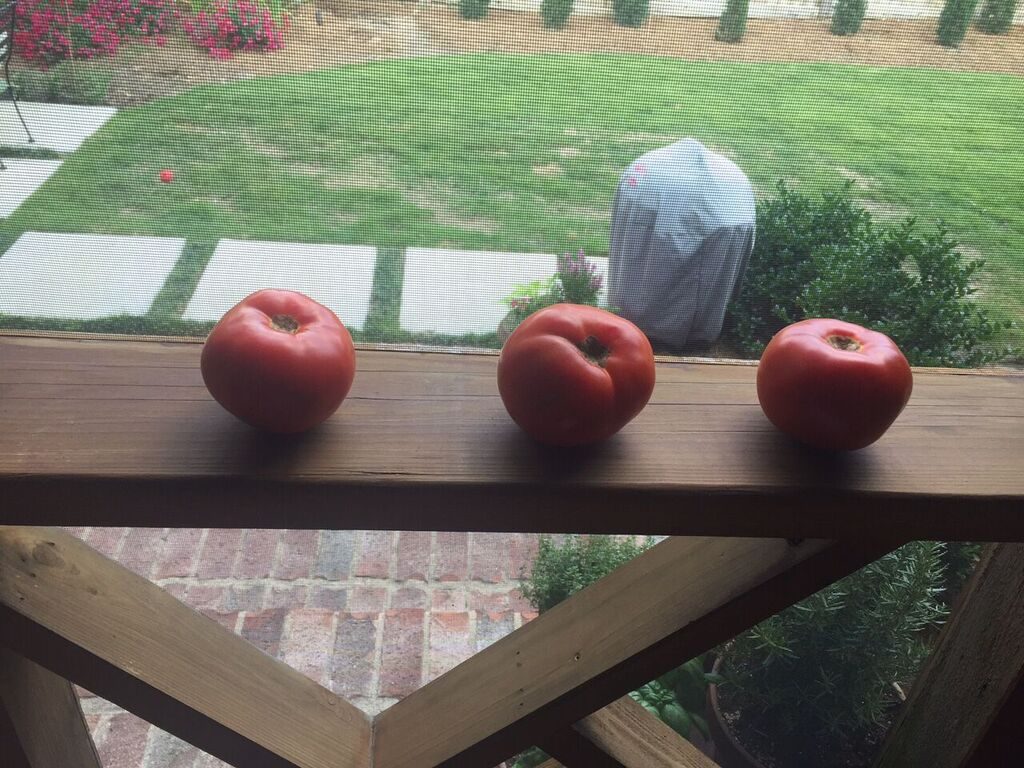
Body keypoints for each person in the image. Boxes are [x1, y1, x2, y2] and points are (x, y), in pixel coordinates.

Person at [608, 138, 755, 354]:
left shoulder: (653, 176)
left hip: (717, 211)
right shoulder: (732, 187)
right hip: (723, 211)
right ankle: (680, 333)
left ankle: (654, 325)